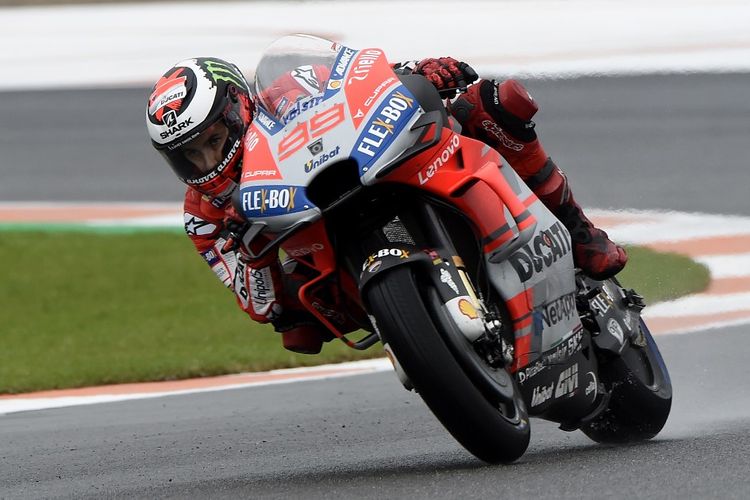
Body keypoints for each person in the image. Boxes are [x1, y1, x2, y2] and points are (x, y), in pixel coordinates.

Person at [146, 54, 627, 354]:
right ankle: (421, 338)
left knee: (492, 103)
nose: (207, 159)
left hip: (363, 167)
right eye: (190, 154)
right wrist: (249, 244)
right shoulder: (202, 214)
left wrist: (418, 72)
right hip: (325, 266)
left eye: (212, 140)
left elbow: (365, 81)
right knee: (294, 326)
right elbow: (259, 305)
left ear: (238, 108)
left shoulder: (290, 87)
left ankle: (578, 231)